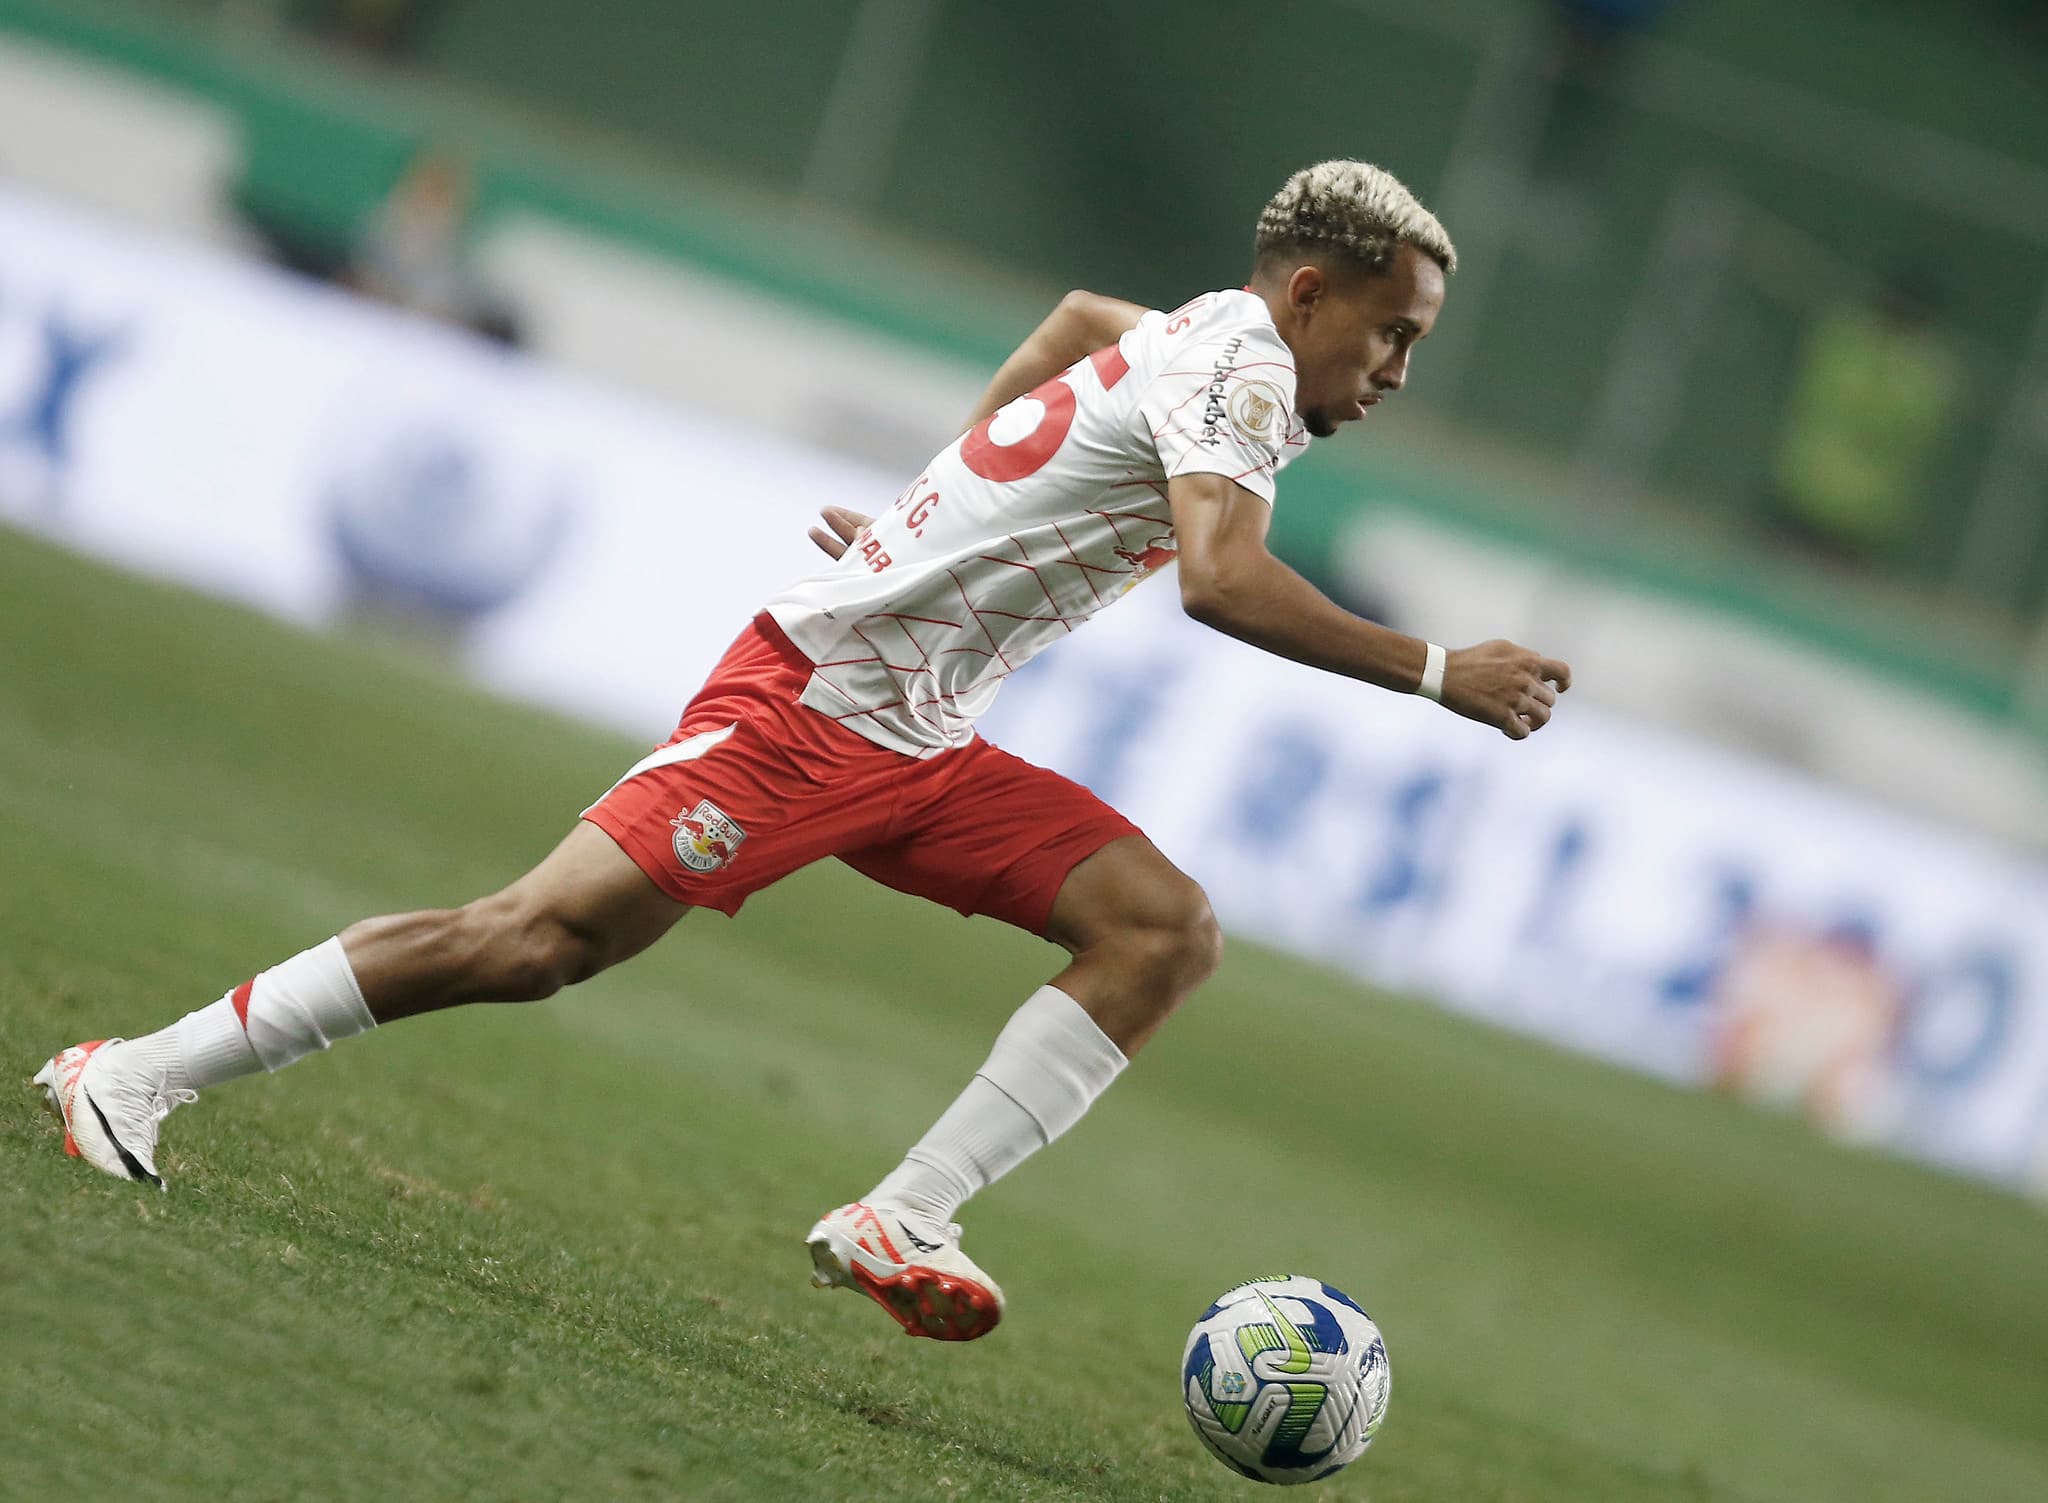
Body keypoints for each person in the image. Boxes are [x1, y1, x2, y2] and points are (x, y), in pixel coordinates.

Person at [35, 160, 1569, 1342]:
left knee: (1158, 930)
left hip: (918, 734)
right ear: (1311, 293)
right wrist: (1441, 671)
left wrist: (929, 504)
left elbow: (1078, 323)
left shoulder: (1226, 345)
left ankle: (905, 1216)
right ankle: (134, 1075)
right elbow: (1224, 582)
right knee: (529, 942)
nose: (1398, 372)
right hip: (814, 706)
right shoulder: (1240, 370)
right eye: (1393, 334)